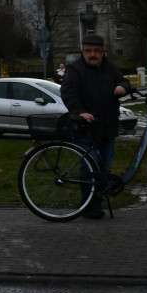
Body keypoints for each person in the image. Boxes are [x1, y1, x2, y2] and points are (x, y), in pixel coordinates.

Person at [59, 34, 133, 219]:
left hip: (107, 128)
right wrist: (79, 112)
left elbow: (124, 81)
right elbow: (68, 92)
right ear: (82, 52)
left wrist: (123, 87)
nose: (93, 54)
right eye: (89, 51)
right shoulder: (75, 70)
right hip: (85, 129)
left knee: (104, 168)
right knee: (89, 168)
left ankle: (96, 205)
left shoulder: (111, 68)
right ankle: (87, 207)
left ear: (103, 52)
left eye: (97, 51)